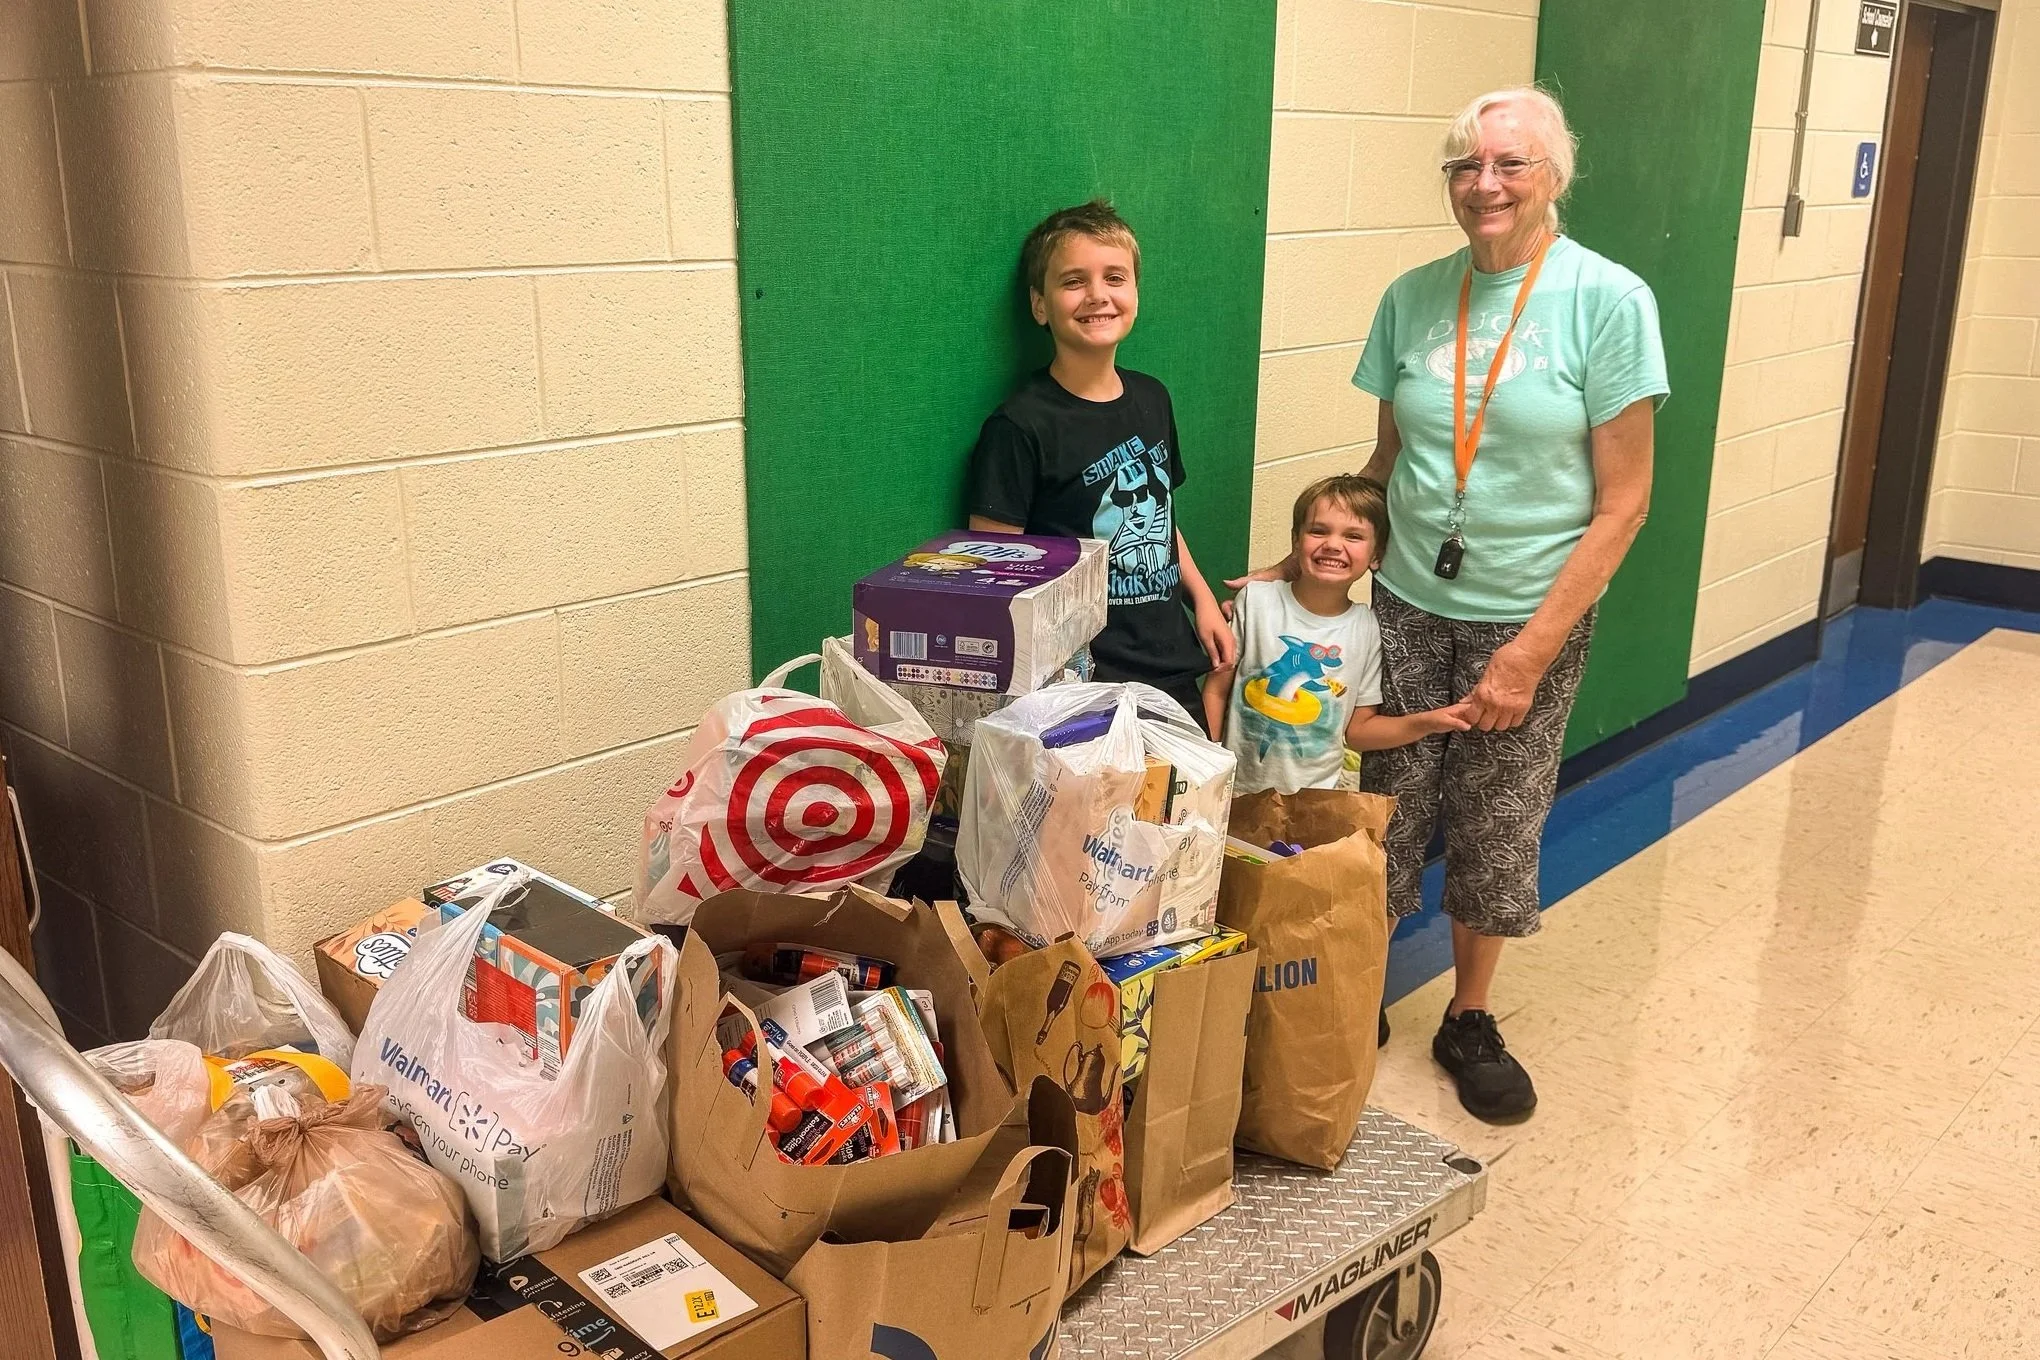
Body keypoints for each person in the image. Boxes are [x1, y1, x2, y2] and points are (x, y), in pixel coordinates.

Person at [1231, 87, 1667, 1121]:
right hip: (1407, 603)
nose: (1486, 186)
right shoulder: (1414, 297)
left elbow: (1626, 502)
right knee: (1385, 806)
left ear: (1552, 173)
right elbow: (1388, 464)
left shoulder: (1608, 301)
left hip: (1531, 612)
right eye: (1467, 167)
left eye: (1509, 165)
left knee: (1496, 822)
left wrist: (1529, 653)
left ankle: (1468, 1015)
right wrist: (1304, 572)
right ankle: (1353, 981)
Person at [967, 200, 1234, 719]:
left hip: (1173, 666)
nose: (1098, 296)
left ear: (1134, 292)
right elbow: (994, 573)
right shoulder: (1020, 426)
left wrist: (1200, 599)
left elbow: (1164, 518)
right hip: (1085, 686)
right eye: (1073, 281)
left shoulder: (1153, 398)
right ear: (1040, 305)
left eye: (1115, 277)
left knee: (1186, 801)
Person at [1203, 474, 1471, 794]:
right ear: (1295, 541)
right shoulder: (1257, 600)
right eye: (1318, 531)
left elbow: (1358, 732)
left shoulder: (1368, 629)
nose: (1333, 545)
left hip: (1315, 805)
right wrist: (1207, 764)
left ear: (1376, 555)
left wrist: (1428, 722)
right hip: (1233, 793)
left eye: (1353, 536)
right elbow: (1217, 689)